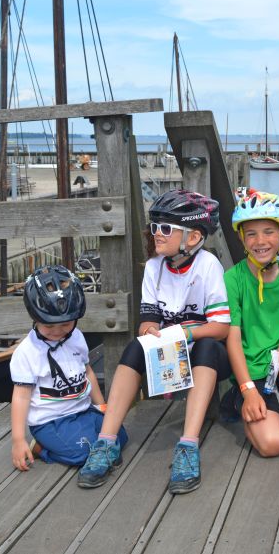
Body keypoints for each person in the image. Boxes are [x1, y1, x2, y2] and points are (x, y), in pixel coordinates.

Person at [78, 189, 231, 493]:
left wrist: (186, 333)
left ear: (193, 237)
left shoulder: (208, 266)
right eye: (154, 227)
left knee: (208, 347)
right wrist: (150, 332)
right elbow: (149, 319)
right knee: (135, 347)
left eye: (165, 228)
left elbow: (221, 328)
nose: (156, 235)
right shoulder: (154, 267)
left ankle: (188, 445)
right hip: (169, 352)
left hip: (206, 354)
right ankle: (106, 442)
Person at [221, 191, 279, 457]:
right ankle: (240, 399)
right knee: (274, 444)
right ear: (241, 237)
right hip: (250, 370)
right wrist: (247, 389)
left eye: (268, 232)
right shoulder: (233, 279)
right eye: (250, 233)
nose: (260, 241)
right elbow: (232, 337)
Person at [9, 265, 123, 471]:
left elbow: (87, 372)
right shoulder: (28, 351)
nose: (58, 331)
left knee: (118, 435)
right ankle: (40, 448)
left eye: (65, 324)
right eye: (49, 325)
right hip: (50, 421)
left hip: (82, 410)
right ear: (34, 317)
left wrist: (100, 405)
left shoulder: (77, 337)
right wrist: (18, 439)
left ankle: (82, 437)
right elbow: (21, 396)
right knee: (84, 454)